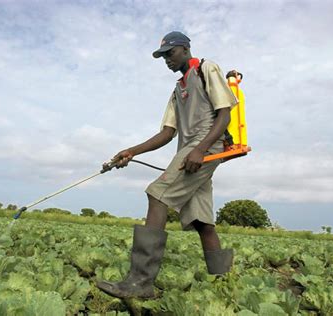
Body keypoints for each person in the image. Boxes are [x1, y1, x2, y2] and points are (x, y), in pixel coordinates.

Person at [96, 31, 238, 299]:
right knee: (202, 221)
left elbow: (225, 116)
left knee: (157, 195)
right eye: (163, 57)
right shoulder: (177, 90)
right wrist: (131, 151)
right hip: (191, 150)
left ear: (185, 49)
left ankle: (140, 283)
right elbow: (166, 133)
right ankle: (225, 283)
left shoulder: (207, 69)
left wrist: (199, 149)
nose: (167, 60)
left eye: (170, 53)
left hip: (206, 147)